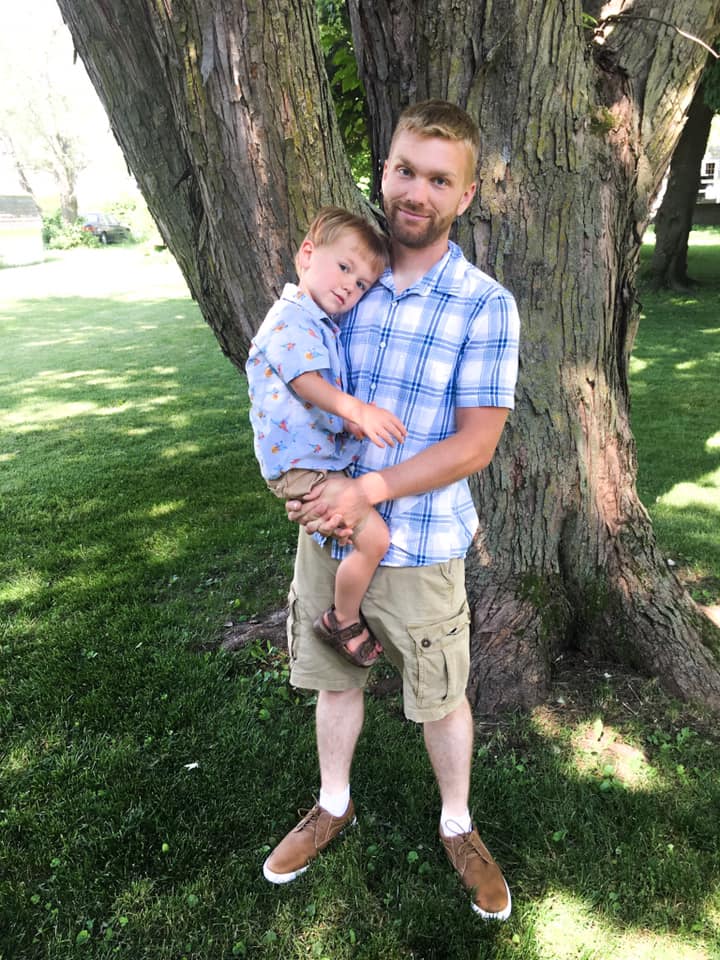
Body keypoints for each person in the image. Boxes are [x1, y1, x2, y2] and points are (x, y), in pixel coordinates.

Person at [262, 101, 520, 921]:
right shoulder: (348, 279)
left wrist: (367, 491)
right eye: (406, 170)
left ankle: (458, 823)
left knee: (441, 694)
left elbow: (476, 444)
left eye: (439, 179)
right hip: (329, 534)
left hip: (420, 540)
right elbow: (288, 381)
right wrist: (304, 483)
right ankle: (331, 802)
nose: (417, 191)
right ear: (386, 171)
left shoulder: (485, 306)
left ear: (466, 194)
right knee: (335, 678)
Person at [246, 207, 407, 668]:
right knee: (374, 539)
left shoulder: (317, 322)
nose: (348, 287)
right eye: (343, 267)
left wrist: (348, 424)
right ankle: (342, 618)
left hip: (311, 462)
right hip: (303, 468)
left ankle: (343, 610)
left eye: (360, 284)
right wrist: (357, 409)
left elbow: (310, 401)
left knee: (352, 526)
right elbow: (306, 383)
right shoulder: (289, 320)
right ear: (307, 254)